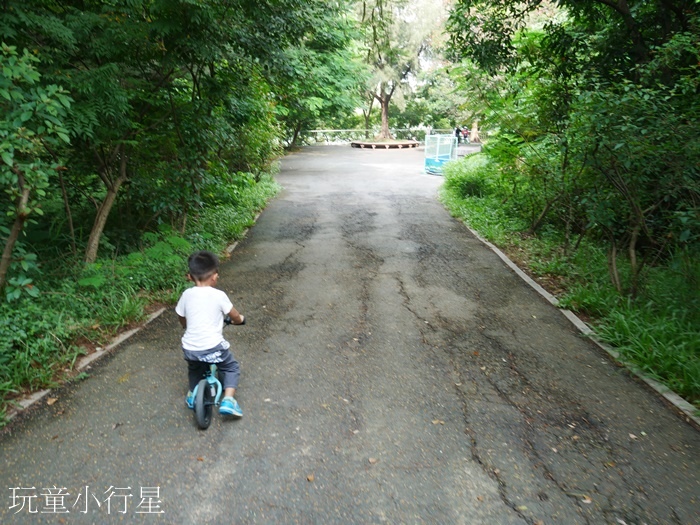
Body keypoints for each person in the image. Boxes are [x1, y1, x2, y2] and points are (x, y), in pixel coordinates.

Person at [176, 250, 246, 417]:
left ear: (190, 277)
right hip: (213, 346)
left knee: (194, 370)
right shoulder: (219, 295)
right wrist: (239, 320)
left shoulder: (186, 295)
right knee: (230, 367)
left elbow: (181, 316)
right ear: (214, 277)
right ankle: (229, 400)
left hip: (190, 347)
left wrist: (186, 325)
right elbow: (233, 314)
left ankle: (193, 395)